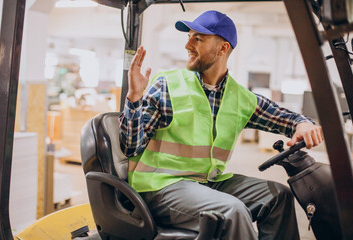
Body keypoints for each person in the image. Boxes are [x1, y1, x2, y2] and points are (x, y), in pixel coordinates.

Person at [119, 10, 324, 240]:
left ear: (223, 48)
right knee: (231, 211)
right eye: (188, 37)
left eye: (197, 38)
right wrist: (134, 99)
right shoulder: (167, 85)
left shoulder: (240, 97)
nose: (187, 45)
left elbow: (283, 117)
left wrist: (303, 123)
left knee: (278, 196)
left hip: (207, 183)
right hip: (161, 187)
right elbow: (130, 147)